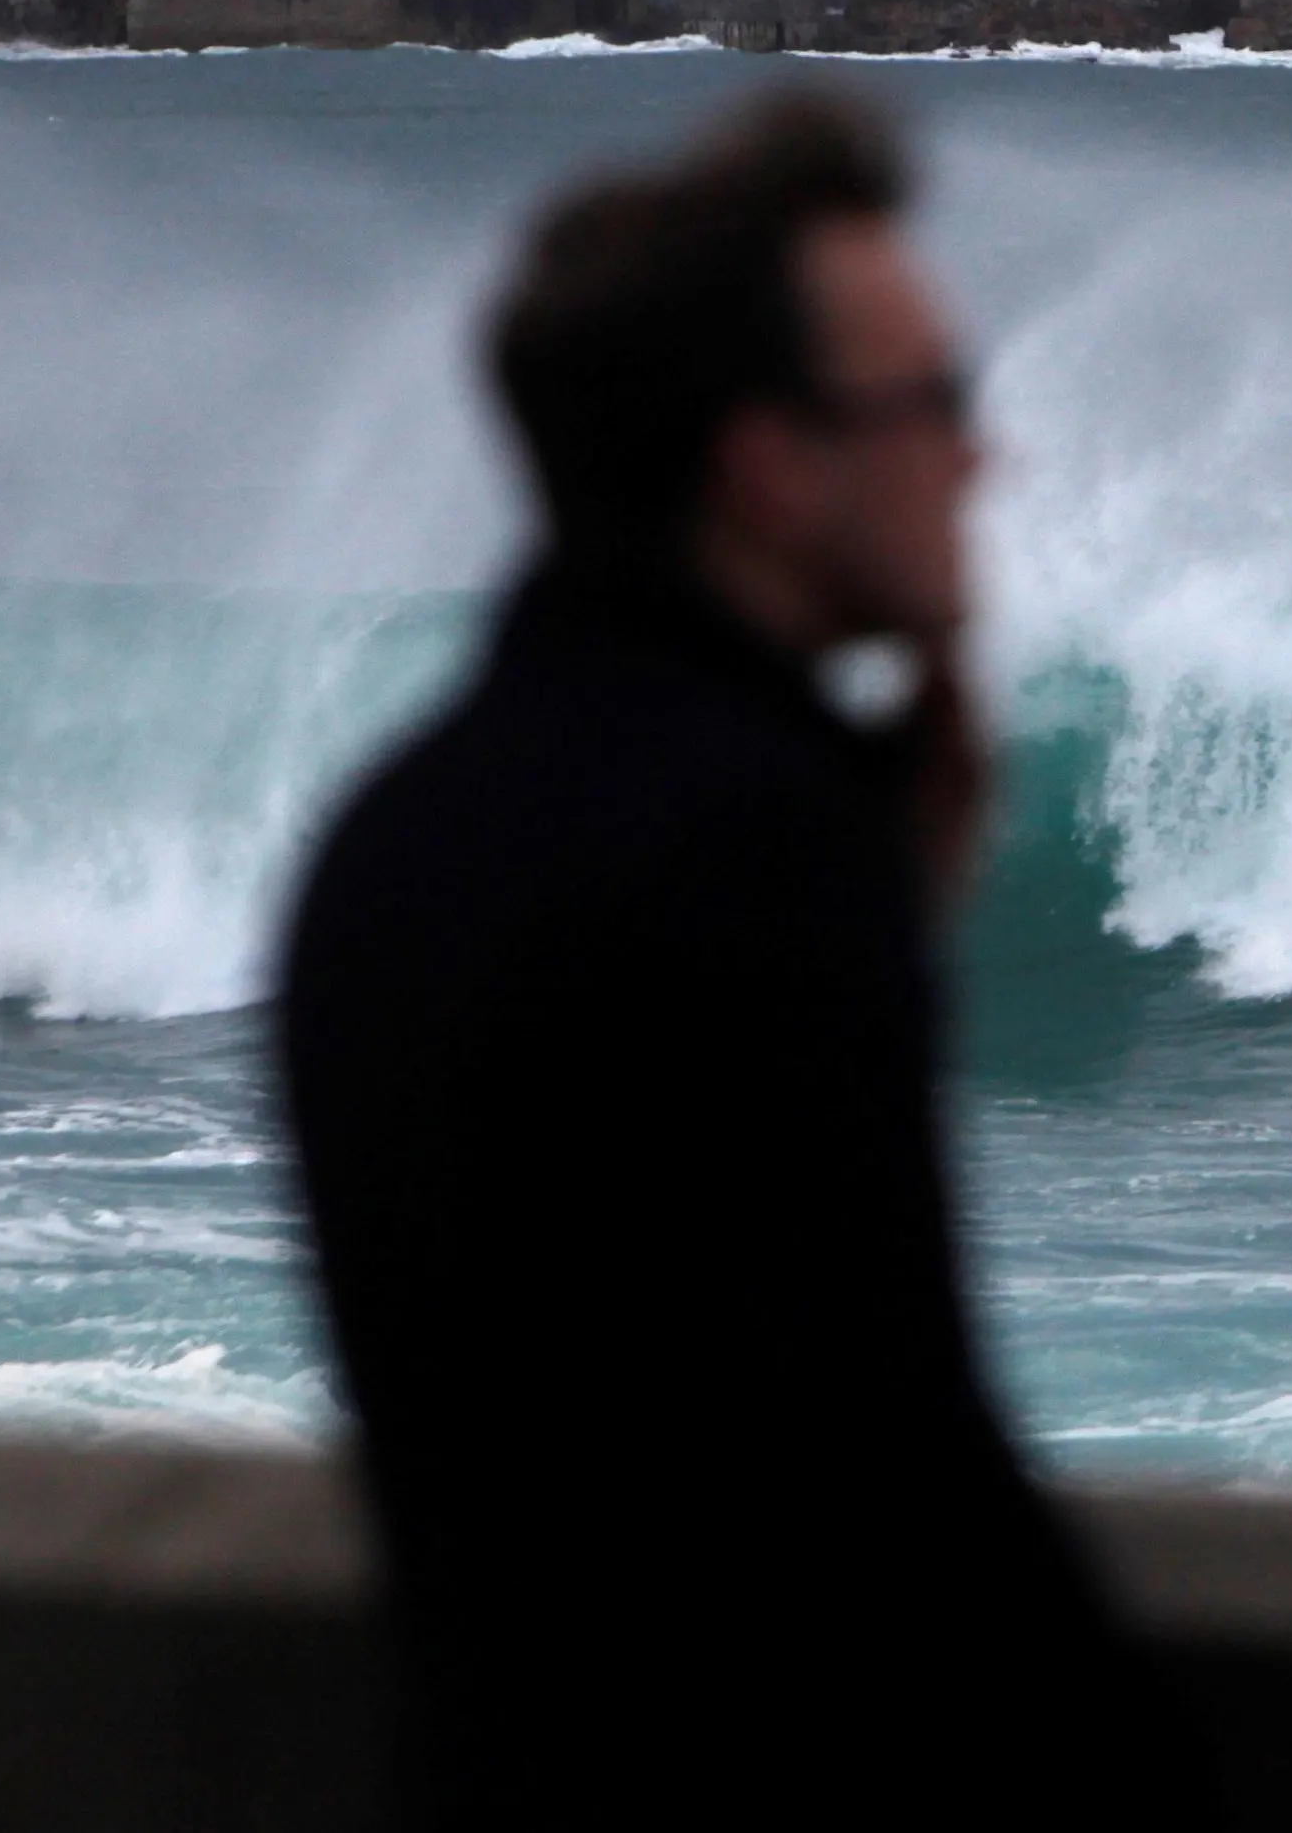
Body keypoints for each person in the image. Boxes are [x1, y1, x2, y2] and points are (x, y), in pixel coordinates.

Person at [278, 91, 1191, 1832]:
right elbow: (888, 1504)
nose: (977, 459)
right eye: (932, 403)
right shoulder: (745, 858)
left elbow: (611, 1403)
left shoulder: (393, 836)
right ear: (769, 465)